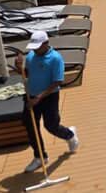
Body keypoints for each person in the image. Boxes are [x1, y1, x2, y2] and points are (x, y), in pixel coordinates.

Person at [16, 30, 78, 173]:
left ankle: (69, 134)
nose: (35, 49)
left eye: (38, 46)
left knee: (51, 126)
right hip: (31, 96)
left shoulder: (55, 58)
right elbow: (27, 73)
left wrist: (39, 97)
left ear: (46, 43)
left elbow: (57, 81)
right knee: (29, 124)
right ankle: (40, 157)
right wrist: (20, 68)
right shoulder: (31, 56)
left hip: (48, 96)